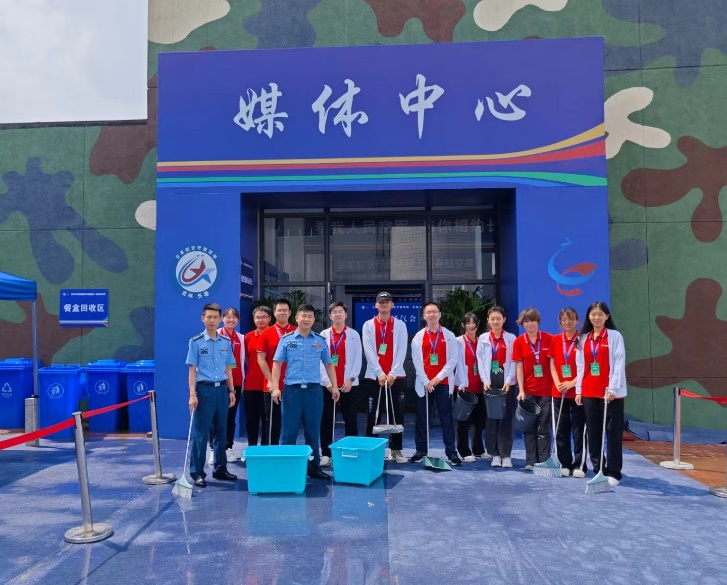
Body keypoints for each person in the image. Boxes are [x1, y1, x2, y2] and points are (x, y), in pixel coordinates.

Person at [272, 304, 339, 480]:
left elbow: (329, 364)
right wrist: (276, 388)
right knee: (289, 432)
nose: (306, 319)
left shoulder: (320, 341)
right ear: (296, 318)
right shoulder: (286, 340)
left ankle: (314, 467)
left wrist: (334, 386)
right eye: (303, 316)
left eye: (310, 316)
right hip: (292, 392)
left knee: (312, 431)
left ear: (313, 319)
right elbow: (277, 364)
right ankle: (287, 468)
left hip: (314, 391)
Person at [185, 302, 237, 487]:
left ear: (220, 319)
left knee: (221, 431)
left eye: (216, 317)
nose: (212, 320)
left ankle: (221, 469)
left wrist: (231, 390)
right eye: (209, 317)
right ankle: (197, 472)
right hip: (204, 390)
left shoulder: (226, 342)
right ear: (203, 318)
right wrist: (192, 394)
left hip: (221, 390)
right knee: (201, 433)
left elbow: (228, 368)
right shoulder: (196, 342)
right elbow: (192, 370)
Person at [575, 301, 627, 487]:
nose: (596, 317)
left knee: (613, 433)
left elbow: (619, 363)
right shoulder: (583, 338)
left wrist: (613, 388)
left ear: (607, 316)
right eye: (593, 314)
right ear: (588, 317)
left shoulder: (614, 336)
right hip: (589, 392)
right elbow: (580, 367)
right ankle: (599, 469)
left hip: (610, 394)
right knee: (594, 433)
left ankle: (614, 472)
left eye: (600, 314)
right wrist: (579, 390)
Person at [410, 302, 462, 466]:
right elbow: (416, 361)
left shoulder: (449, 335)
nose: (432, 315)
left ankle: (451, 452)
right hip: (424, 384)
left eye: (434, 312)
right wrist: (426, 381)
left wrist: (437, 378)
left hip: (443, 383)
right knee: (422, 418)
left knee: (446, 418)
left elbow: (453, 359)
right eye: (428, 312)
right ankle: (421, 450)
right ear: (424, 316)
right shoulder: (418, 337)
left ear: (440, 314)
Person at [361, 292, 408, 463]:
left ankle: (396, 450)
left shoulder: (400, 325)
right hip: (374, 378)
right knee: (373, 414)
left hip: (396, 377)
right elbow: (368, 351)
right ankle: (371, 450)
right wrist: (380, 373)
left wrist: (393, 373)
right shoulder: (368, 325)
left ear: (392, 305)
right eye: (381, 302)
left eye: (387, 302)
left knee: (397, 414)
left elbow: (402, 350)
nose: (384, 304)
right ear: (376, 305)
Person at [319, 301, 363, 467]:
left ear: (346, 315)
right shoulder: (323, 335)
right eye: (334, 312)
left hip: (348, 385)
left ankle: (351, 452)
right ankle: (326, 454)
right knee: (326, 420)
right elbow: (319, 361)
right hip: (328, 386)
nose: (337, 314)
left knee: (350, 419)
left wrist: (350, 379)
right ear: (330, 316)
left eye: (340, 311)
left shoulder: (353, 334)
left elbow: (358, 359)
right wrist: (328, 383)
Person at [548, 307, 587, 478]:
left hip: (578, 392)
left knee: (579, 430)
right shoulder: (556, 340)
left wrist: (572, 383)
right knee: (560, 429)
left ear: (577, 320)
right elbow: (552, 364)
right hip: (559, 393)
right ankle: (564, 463)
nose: (567, 322)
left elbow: (586, 367)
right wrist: (558, 383)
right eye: (564, 320)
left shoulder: (583, 340)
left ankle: (579, 464)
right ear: (560, 322)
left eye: (570, 319)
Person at [476, 306, 517, 468]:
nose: (495, 321)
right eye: (492, 319)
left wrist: (509, 379)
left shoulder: (511, 338)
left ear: (504, 320)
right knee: (492, 418)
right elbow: (480, 361)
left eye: (498, 318)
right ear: (488, 320)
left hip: (506, 382)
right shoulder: (483, 338)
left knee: (506, 418)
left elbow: (514, 361)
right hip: (489, 382)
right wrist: (485, 380)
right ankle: (494, 454)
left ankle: (506, 454)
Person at [512, 307, 553, 471]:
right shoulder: (519, 342)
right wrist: (521, 390)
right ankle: (530, 460)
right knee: (529, 428)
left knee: (544, 426)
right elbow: (519, 368)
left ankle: (544, 460)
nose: (529, 324)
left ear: (538, 322)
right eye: (526, 321)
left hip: (546, 391)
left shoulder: (549, 339)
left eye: (532, 321)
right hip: (528, 391)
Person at [210, 307, 245, 463]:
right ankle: (214, 449)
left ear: (238, 320)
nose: (231, 320)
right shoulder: (216, 334)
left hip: (236, 383)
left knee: (231, 417)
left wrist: (242, 381)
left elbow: (242, 361)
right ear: (222, 319)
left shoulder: (241, 338)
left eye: (234, 317)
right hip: (219, 382)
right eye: (228, 317)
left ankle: (228, 447)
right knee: (215, 417)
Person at [257, 298, 294, 444]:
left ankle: (289, 452)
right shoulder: (266, 333)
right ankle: (272, 452)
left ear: (290, 313)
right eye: (279, 310)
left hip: (293, 385)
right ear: (274, 313)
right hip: (272, 386)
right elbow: (261, 359)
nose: (282, 313)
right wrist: (271, 380)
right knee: (273, 422)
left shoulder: (296, 332)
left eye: (285, 310)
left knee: (291, 421)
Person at [455, 312, 487, 462]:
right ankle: (464, 451)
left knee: (479, 422)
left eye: (473, 322)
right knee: (462, 422)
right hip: (464, 388)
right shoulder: (458, 341)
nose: (471, 325)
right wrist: (461, 383)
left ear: (477, 325)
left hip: (480, 387)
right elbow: (458, 364)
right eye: (468, 323)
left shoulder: (482, 341)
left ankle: (478, 449)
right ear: (463, 325)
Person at [243, 305, 272, 445]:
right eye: (257, 317)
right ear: (254, 319)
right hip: (251, 385)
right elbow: (247, 358)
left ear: (270, 318)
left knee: (268, 420)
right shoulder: (248, 337)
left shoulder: (274, 335)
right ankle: (252, 448)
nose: (260, 320)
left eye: (264, 317)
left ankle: (265, 449)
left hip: (269, 385)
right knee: (252, 420)